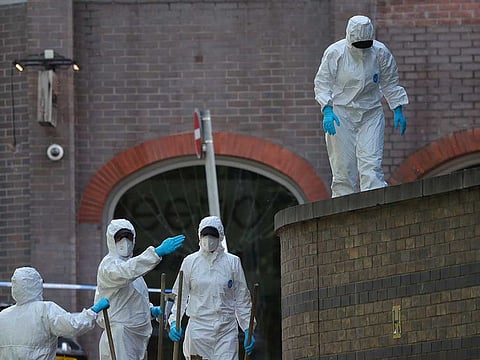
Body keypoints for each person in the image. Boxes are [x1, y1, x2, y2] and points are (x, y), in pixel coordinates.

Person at [314, 15, 409, 197]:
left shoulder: (380, 52)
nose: (363, 49)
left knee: (371, 165)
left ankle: (375, 207)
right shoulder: (336, 53)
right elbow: (323, 82)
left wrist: (397, 107)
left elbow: (389, 81)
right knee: (343, 169)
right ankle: (342, 211)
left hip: (370, 113)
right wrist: (327, 108)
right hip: (341, 114)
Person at [94, 218, 185, 360]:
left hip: (136, 337)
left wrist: (150, 311)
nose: (125, 242)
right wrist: (157, 252)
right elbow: (127, 271)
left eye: (128, 237)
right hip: (120, 335)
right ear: (111, 240)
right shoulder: (109, 266)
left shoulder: (133, 268)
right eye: (119, 238)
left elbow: (129, 299)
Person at [168, 215, 256, 360]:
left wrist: (248, 327)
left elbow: (242, 299)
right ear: (199, 236)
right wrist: (173, 322)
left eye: (213, 235)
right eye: (205, 235)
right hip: (198, 330)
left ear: (220, 236)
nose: (209, 239)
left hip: (225, 331)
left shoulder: (232, 262)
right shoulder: (190, 262)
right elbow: (179, 295)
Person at [0, 266, 110, 359]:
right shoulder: (45, 310)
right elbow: (73, 325)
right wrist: (93, 311)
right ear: (36, 285)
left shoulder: (2, 317)